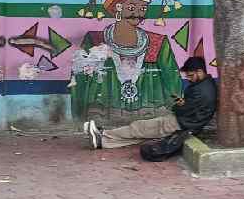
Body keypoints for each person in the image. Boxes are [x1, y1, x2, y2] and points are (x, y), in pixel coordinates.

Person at [70, 0, 182, 119]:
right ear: (118, 7)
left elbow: (172, 81)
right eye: (131, 7)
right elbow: (79, 80)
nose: (138, 13)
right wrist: (78, 116)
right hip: (101, 117)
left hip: (149, 118)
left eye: (143, 8)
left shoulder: (158, 43)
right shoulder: (95, 40)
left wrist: (178, 114)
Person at [83, 57, 217, 149]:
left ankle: (104, 134)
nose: (189, 79)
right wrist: (182, 103)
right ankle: (102, 142)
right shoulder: (206, 84)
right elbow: (192, 106)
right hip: (187, 123)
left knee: (139, 127)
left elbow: (183, 109)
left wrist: (178, 105)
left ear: (200, 72)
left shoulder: (202, 91)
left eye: (191, 76)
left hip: (180, 123)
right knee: (141, 134)